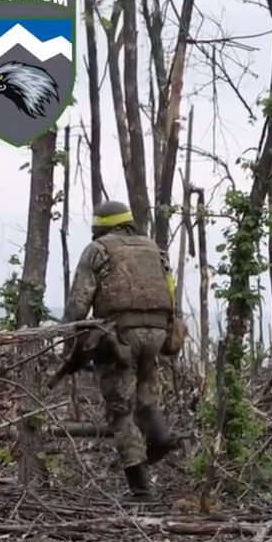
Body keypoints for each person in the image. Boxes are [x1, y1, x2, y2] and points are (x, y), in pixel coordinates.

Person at [62, 200, 178, 502]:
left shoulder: (98, 250)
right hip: (158, 332)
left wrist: (71, 348)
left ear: (99, 227)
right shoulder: (155, 249)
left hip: (120, 336)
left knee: (120, 412)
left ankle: (140, 491)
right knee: (145, 398)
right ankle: (159, 437)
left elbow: (78, 306)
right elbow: (170, 292)